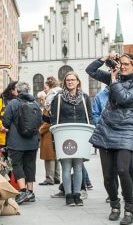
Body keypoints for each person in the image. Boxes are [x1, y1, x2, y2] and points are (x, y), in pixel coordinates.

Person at [87, 52, 133, 225]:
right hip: (106, 128)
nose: (122, 66)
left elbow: (125, 98)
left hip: (126, 129)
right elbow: (90, 70)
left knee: (123, 170)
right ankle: (114, 205)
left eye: (126, 64)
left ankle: (129, 208)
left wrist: (113, 81)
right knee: (108, 175)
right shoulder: (116, 77)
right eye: (120, 63)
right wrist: (104, 58)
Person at [49, 71, 92, 206]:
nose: (70, 82)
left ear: (78, 81)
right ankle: (68, 195)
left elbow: (89, 117)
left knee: (78, 167)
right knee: (66, 167)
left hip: (80, 134)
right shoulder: (59, 97)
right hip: (64, 134)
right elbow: (54, 117)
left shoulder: (84, 97)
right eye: (68, 80)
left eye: (73, 79)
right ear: (65, 82)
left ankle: (77, 194)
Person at [2, 81, 42, 205]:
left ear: (17, 91)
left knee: (17, 164)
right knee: (30, 165)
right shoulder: (35, 103)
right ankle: (31, 192)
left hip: (16, 142)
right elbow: (39, 121)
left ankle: (23, 191)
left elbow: (6, 122)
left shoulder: (13, 103)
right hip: (32, 142)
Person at [38, 91, 61, 186]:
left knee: (49, 157)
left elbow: (48, 122)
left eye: (42, 99)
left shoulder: (48, 108)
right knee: (54, 156)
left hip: (48, 135)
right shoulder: (53, 107)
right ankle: (56, 177)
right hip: (53, 135)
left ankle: (49, 178)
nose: (41, 101)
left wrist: (40, 130)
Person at [0, 81, 18, 150]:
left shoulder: (20, 101)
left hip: (16, 139)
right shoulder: (1, 102)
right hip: (2, 138)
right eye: (17, 89)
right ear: (12, 91)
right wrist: (0, 126)